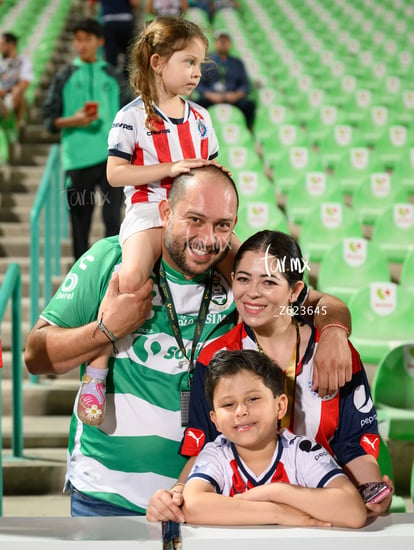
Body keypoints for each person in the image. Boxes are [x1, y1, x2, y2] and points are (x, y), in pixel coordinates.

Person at [25, 165, 354, 517]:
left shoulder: (241, 282)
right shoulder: (111, 261)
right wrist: (105, 330)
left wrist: (334, 331)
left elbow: (323, 305)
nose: (207, 238)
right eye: (194, 220)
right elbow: (36, 355)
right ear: (165, 212)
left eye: (222, 225)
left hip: (208, 498)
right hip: (105, 497)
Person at [178, 230, 393, 522]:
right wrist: (178, 492)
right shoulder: (215, 357)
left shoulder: (335, 352)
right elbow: (205, 451)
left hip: (321, 514)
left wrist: (370, 490)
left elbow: (354, 444)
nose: (251, 292)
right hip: (240, 514)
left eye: (268, 282)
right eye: (243, 279)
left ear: (294, 291)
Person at [76, 16, 221, 426]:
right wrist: (170, 168)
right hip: (148, 209)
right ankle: (96, 369)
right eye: (188, 62)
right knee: (131, 277)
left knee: (244, 268)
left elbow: (210, 169)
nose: (196, 72)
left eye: (200, 64)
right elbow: (115, 174)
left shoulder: (202, 119)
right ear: (157, 62)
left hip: (195, 215)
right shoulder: (132, 116)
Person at [182, 349, 367, 528]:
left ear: (280, 406)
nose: (241, 411)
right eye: (228, 404)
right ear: (215, 421)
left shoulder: (302, 451)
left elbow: (353, 512)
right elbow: (193, 506)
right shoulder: (216, 453)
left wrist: (276, 491)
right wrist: (277, 513)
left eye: (253, 399)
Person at [43, 18, 127, 262]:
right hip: (77, 160)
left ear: (99, 41)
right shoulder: (64, 76)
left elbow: (131, 114)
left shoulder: (113, 75)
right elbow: (49, 119)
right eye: (77, 40)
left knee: (113, 218)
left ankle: (112, 270)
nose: (82, 45)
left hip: (113, 159)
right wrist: (74, 121)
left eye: (87, 39)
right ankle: (82, 278)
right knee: (80, 221)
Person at [196, 30, 256, 131]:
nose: (223, 43)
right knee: (197, 105)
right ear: (215, 43)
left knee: (248, 105)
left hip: (232, 97)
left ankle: (249, 132)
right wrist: (211, 95)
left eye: (226, 41)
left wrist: (236, 95)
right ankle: (199, 132)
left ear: (230, 44)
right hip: (212, 97)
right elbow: (199, 84)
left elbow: (245, 84)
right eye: (220, 40)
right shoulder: (206, 62)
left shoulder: (237, 63)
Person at [89, 0, 139, 74]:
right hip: (126, 21)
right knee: (128, 52)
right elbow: (135, 2)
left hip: (108, 21)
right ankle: (126, 81)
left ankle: (113, 79)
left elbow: (91, 2)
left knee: (111, 54)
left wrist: (93, 14)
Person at [0, 31, 33, 128]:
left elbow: (24, 83)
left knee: (18, 91)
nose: (0, 47)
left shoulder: (23, 61)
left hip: (12, 96)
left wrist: (6, 92)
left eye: (2, 44)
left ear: (11, 45)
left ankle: (16, 127)